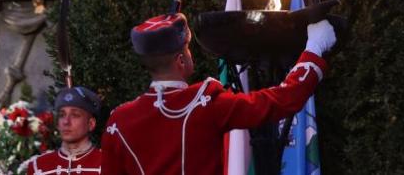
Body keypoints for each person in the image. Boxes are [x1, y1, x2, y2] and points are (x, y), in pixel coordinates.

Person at [100, 12, 336, 175]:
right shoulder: (203, 104)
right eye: (188, 49)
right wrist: (314, 49)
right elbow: (277, 101)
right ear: (181, 60)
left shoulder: (118, 122)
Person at [26, 85, 103, 175]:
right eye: (62, 115)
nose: (66, 122)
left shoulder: (107, 164)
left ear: (91, 124)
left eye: (75, 115)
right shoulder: (38, 167)